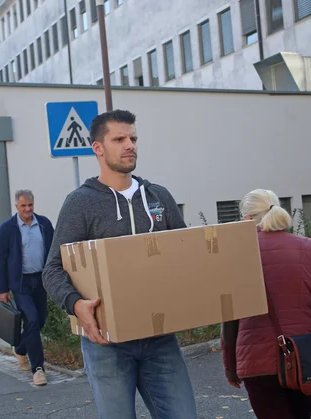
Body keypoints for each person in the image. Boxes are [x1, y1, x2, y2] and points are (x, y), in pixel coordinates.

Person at [42, 109, 198, 419]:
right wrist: (76, 305)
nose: (130, 145)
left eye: (133, 138)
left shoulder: (158, 197)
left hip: (159, 337)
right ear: (98, 148)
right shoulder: (81, 203)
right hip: (106, 341)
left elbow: (186, 255)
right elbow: (53, 269)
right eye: (120, 139)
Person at [221, 189, 311, 419]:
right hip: (302, 357)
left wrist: (230, 366)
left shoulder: (236, 255)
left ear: (246, 220)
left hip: (256, 363)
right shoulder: (309, 248)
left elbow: (230, 316)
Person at [0, 189, 54, 387]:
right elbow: (1, 260)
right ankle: (38, 369)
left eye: (30, 205)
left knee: (40, 321)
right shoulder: (7, 228)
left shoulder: (44, 224)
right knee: (31, 318)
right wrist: (3, 289)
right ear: (16, 206)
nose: (28, 209)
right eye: (23, 206)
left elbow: (54, 251)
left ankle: (20, 349)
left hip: (41, 280)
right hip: (20, 283)